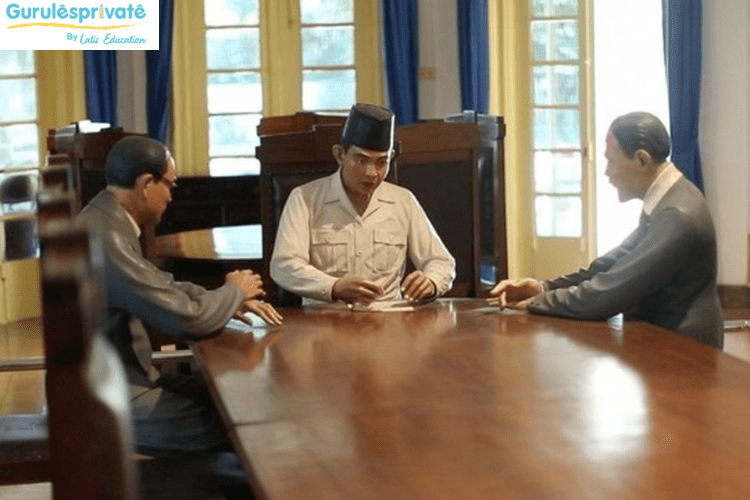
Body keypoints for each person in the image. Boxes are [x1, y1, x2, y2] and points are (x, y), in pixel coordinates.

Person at [77, 136, 282, 492]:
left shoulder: (102, 218)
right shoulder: (107, 238)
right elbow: (190, 321)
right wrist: (234, 291)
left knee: (234, 396)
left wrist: (226, 300)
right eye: (169, 184)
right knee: (245, 425)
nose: (172, 195)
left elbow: (161, 284)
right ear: (146, 184)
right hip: (114, 398)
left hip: (117, 380)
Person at [488, 111, 723, 348]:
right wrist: (543, 288)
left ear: (642, 160)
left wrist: (538, 302)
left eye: (612, 161)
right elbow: (613, 264)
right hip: (666, 341)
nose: (607, 172)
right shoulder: (669, 199)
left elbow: (612, 291)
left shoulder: (676, 214)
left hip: (684, 353)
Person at [270, 103, 456, 306]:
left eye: (381, 162)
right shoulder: (305, 199)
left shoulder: (403, 201)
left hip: (387, 317)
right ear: (340, 155)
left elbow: (442, 261)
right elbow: (283, 266)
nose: (372, 173)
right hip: (325, 317)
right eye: (361, 161)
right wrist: (333, 287)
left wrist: (431, 281)